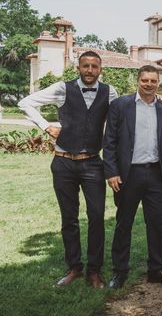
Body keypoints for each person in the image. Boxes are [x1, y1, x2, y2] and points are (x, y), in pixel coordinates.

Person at [18, 50, 118, 288]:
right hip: (63, 163)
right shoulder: (63, 88)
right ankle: (74, 267)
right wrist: (46, 126)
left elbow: (119, 120)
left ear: (100, 68)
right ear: (78, 68)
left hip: (93, 162)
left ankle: (94, 272)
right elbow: (25, 103)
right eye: (86, 66)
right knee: (69, 219)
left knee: (96, 217)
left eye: (95, 66)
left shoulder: (109, 92)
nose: (90, 70)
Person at [103, 65, 162, 289]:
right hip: (129, 174)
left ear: (159, 82)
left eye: (153, 81)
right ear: (138, 81)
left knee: (156, 223)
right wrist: (112, 172)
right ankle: (120, 271)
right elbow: (109, 142)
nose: (149, 84)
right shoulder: (120, 105)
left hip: (157, 173)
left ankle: (156, 269)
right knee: (124, 223)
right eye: (145, 80)